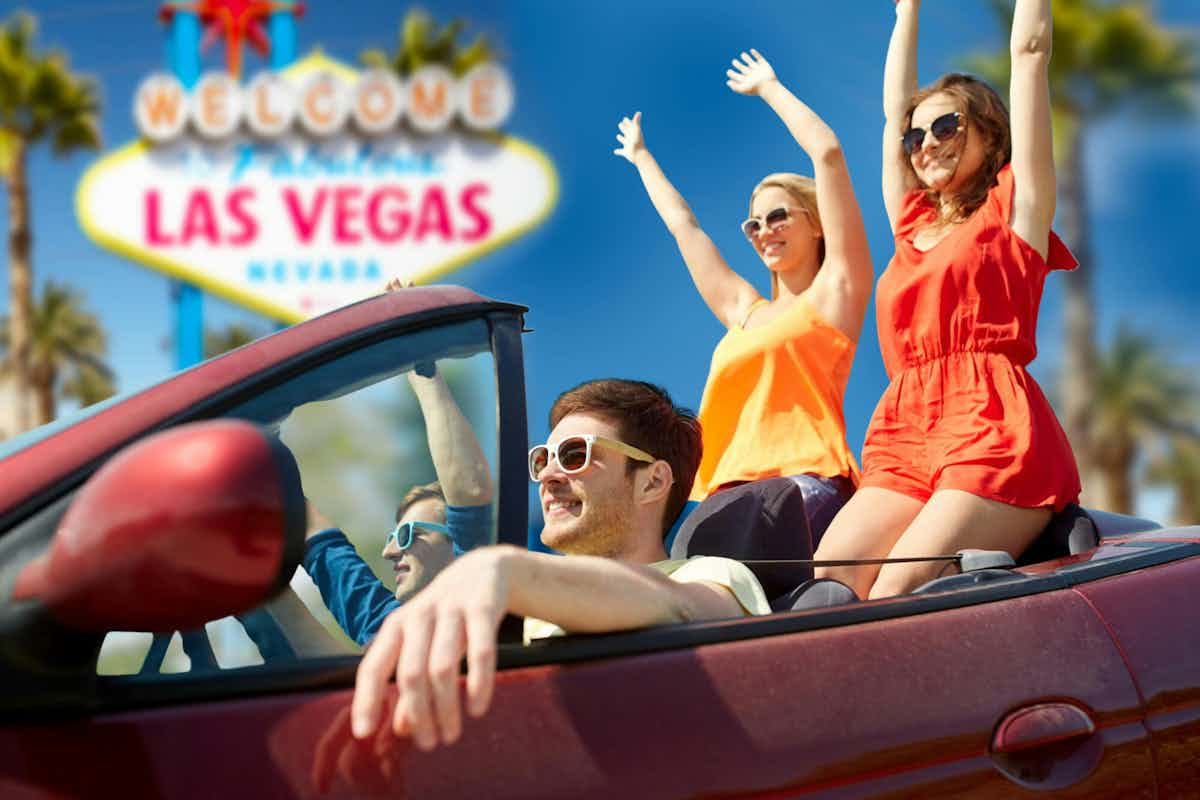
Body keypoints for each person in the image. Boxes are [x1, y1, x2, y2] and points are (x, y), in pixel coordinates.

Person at [814, 0, 1080, 600]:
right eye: (917, 135)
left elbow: (1030, 54)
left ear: (991, 134)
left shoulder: (1017, 209)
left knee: (898, 590)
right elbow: (891, 115)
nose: (925, 144)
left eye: (946, 126)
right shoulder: (908, 222)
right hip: (905, 426)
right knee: (831, 576)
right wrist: (906, 11)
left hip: (990, 423)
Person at [350, 379, 771, 750]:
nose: (548, 476)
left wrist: (505, 568)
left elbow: (684, 609)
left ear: (652, 481)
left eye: (574, 455)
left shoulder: (708, 575)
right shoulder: (523, 607)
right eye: (542, 459)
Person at [613, 49, 872, 544]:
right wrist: (642, 159)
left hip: (804, 488)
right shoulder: (743, 311)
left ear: (816, 225)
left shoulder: (837, 292)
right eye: (754, 223)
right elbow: (683, 227)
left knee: (743, 535)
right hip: (726, 495)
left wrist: (769, 87)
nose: (763, 231)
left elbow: (829, 155)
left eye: (779, 216)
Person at [302, 364, 494, 646]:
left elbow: (470, 490)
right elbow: (324, 548)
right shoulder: (388, 627)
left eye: (407, 536)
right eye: (393, 537)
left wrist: (420, 364)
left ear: (458, 544)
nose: (389, 551)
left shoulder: (478, 603)